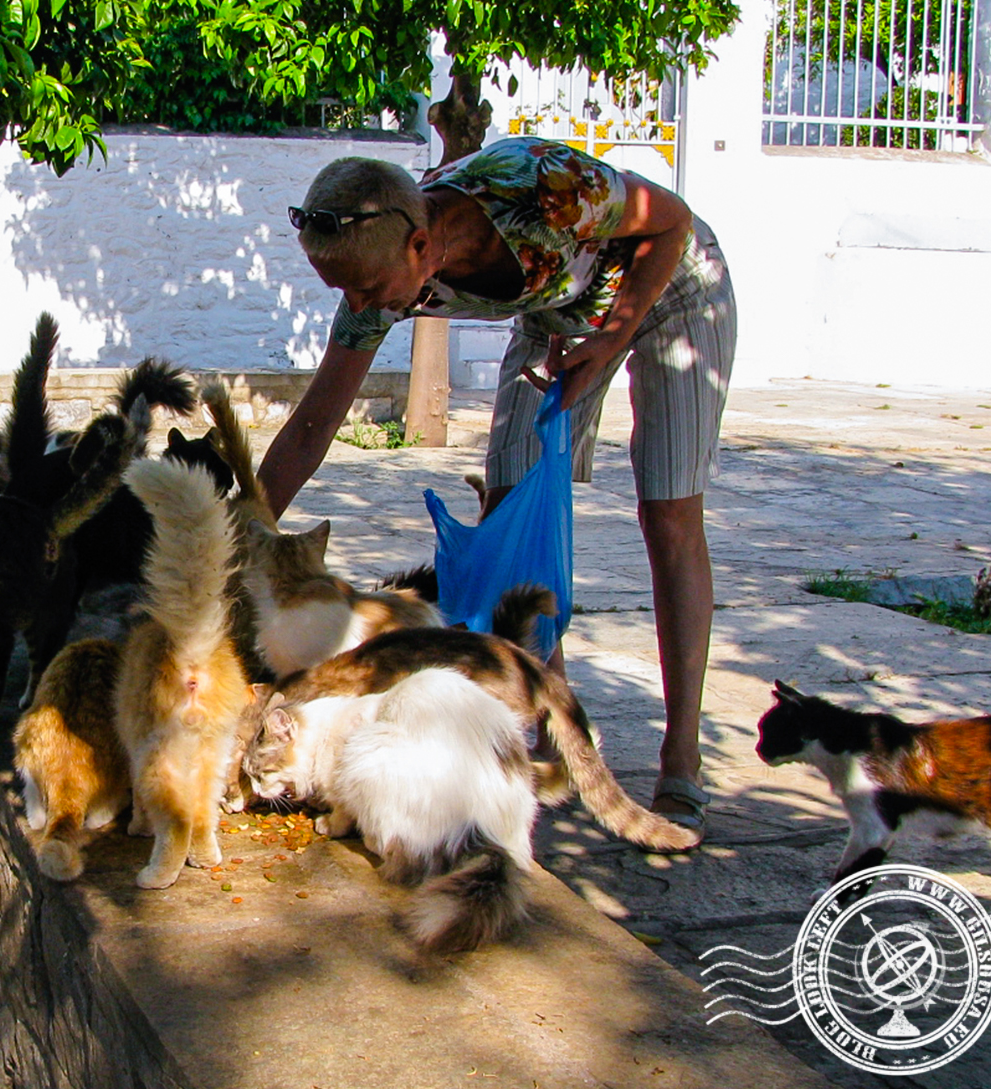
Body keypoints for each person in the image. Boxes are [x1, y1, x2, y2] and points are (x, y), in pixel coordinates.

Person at [257, 138, 737, 846]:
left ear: (421, 243)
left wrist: (613, 336)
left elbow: (669, 220)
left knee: (667, 511)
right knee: (511, 513)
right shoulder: (379, 260)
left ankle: (682, 757)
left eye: (364, 289)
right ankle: (554, 734)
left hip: (670, 290)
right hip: (556, 316)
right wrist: (240, 528)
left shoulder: (539, 190)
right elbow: (310, 429)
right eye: (342, 293)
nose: (358, 308)